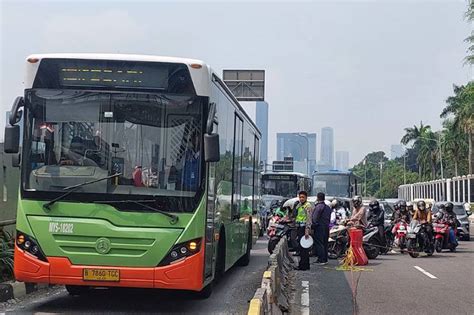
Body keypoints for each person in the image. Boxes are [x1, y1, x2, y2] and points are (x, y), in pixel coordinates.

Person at [294, 191, 313, 270]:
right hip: (299, 228)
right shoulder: (300, 205)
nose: (301, 199)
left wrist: (307, 230)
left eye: (303, 197)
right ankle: (303, 265)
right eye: (300, 197)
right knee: (301, 248)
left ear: (306, 198)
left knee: (304, 248)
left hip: (304, 228)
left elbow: (309, 219)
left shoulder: (307, 206)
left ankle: (304, 266)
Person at [312, 192, 332, 265]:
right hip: (326, 227)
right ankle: (325, 259)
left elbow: (314, 218)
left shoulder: (318, 207)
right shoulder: (327, 207)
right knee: (325, 243)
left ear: (317, 198)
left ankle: (321, 259)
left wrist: (313, 226)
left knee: (319, 243)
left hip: (319, 227)